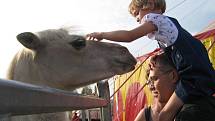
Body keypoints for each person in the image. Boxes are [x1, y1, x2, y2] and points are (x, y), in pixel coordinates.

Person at [86, 0, 215, 121]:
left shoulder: (156, 20)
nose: (137, 19)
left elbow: (129, 35)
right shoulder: (171, 26)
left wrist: (102, 34)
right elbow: (179, 51)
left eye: (137, 13)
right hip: (202, 74)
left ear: (150, 4)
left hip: (191, 77)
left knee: (164, 115)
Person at [135, 52, 178, 121]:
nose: (151, 87)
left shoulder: (189, 112)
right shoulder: (145, 116)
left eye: (155, 79)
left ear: (173, 76)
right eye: (149, 82)